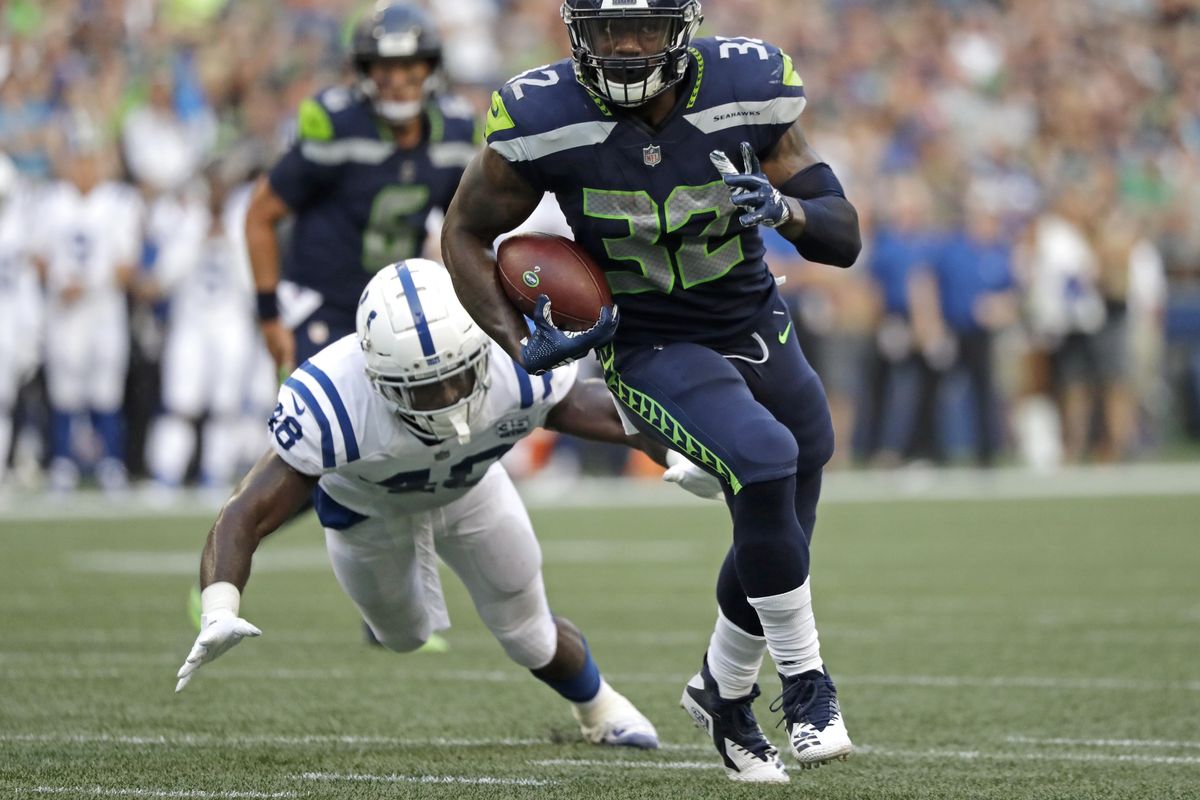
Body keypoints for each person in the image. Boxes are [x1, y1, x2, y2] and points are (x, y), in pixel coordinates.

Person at [441, 0, 861, 784]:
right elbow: (463, 231)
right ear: (578, 33)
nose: (626, 47)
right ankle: (805, 685)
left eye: (642, 27)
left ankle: (720, 691)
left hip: (748, 316)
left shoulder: (747, 85)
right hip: (646, 341)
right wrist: (515, 339)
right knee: (765, 459)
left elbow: (844, 233)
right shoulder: (543, 114)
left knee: (791, 490)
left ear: (683, 26)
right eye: (608, 31)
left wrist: (788, 210)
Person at [174, 259, 666, 750]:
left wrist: (675, 449)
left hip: (470, 492)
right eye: (426, 389)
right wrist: (219, 606)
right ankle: (385, 615)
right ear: (376, 377)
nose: (450, 398)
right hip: (368, 516)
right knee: (404, 635)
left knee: (528, 631)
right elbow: (246, 512)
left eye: (459, 377)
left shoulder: (514, 356)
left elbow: (598, 409)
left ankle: (601, 708)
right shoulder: (334, 400)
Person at [245, 2, 478, 375]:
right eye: (386, 67)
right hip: (320, 306)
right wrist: (269, 314)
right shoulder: (338, 125)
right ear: (364, 69)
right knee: (317, 427)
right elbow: (259, 215)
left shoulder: (455, 132)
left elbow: (471, 227)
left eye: (411, 65)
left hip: (398, 312)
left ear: (431, 66)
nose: (399, 80)